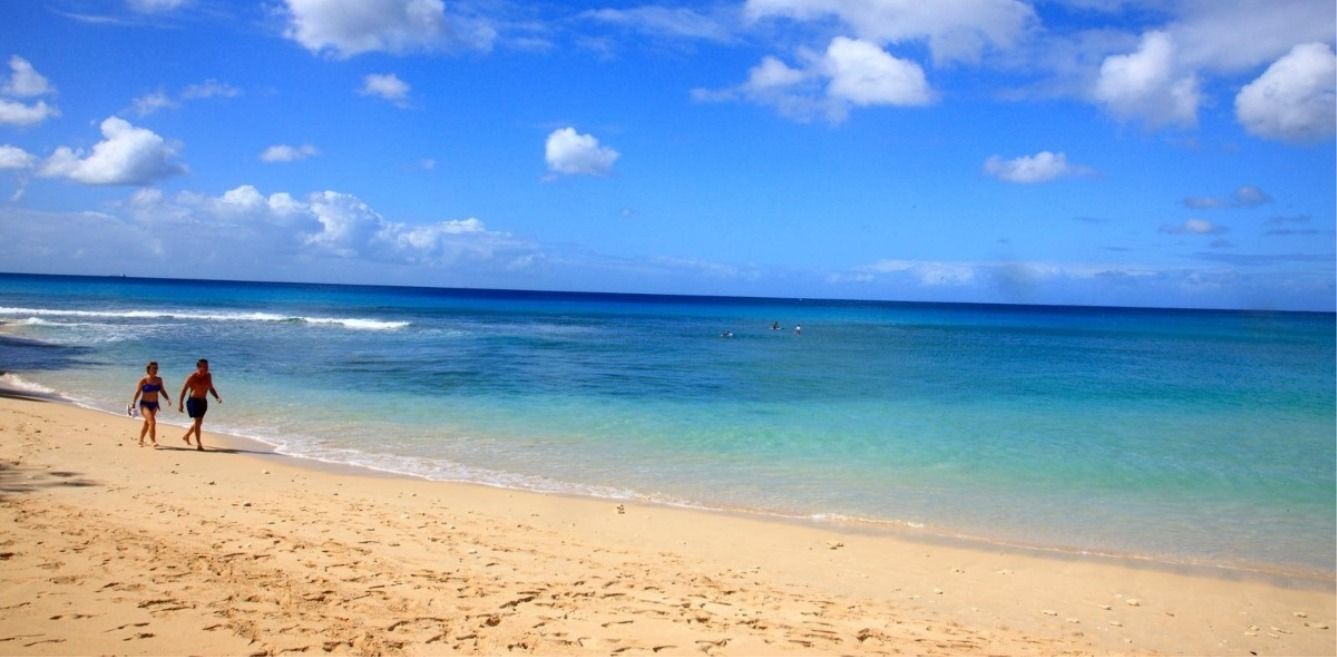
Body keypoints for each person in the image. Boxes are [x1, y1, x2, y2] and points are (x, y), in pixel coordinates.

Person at [178, 358, 222, 451]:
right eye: (204, 366)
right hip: (193, 401)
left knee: (198, 422)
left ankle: (187, 436)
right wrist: (180, 404)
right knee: (198, 422)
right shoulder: (192, 377)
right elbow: (184, 390)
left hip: (203, 402)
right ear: (198, 367)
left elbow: (211, 388)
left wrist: (217, 397)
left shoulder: (208, 376)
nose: (206, 368)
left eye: (207, 366)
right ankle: (199, 444)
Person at [129, 361, 170, 448]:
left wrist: (167, 399)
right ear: (149, 369)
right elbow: (138, 392)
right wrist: (133, 402)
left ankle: (140, 439)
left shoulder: (159, 380)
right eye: (154, 368)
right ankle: (153, 441)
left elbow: (162, 390)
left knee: (147, 423)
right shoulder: (144, 380)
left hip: (154, 405)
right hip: (145, 404)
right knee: (152, 421)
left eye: (156, 368)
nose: (156, 370)